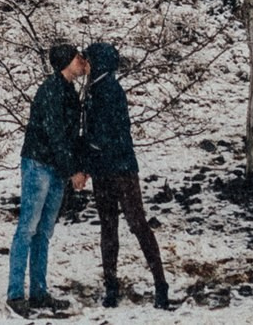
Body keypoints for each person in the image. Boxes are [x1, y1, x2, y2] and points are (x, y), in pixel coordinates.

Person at [80, 40, 171, 309]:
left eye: (88, 58)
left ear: (98, 62)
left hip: (118, 169)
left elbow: (106, 134)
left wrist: (87, 154)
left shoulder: (107, 89)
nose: (84, 63)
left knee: (130, 224)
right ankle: (123, 285)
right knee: (119, 225)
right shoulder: (98, 87)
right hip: (110, 169)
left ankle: (154, 285)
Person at [10, 42, 89, 317]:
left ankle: (39, 292)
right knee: (28, 228)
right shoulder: (52, 92)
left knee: (43, 231)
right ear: (67, 61)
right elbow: (57, 136)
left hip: (54, 167)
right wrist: (73, 171)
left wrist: (74, 166)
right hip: (39, 164)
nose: (82, 60)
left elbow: (71, 137)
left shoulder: (67, 90)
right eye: (78, 57)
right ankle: (15, 294)